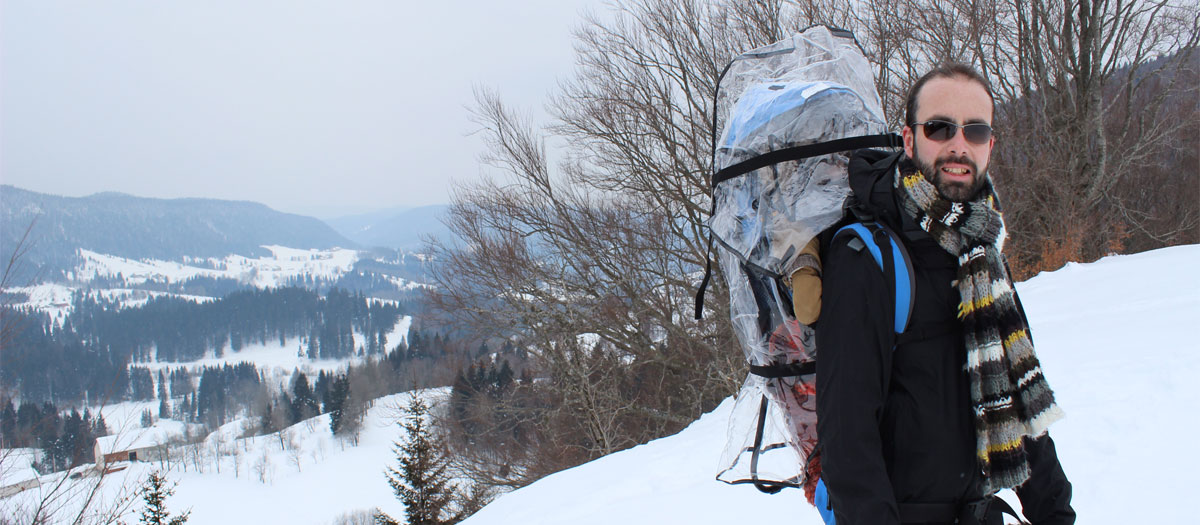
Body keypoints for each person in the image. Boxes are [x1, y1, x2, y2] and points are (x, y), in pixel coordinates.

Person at [814, 64, 1076, 524]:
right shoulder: (868, 256)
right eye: (939, 127)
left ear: (990, 145)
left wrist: (1055, 513)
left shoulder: (983, 252)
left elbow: (1017, 399)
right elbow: (848, 440)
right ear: (910, 140)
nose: (959, 144)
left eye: (974, 130)